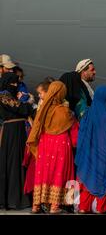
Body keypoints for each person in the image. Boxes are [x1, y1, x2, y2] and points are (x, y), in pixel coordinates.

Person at [26, 81, 78, 214]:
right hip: (61, 144)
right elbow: (74, 134)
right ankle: (55, 206)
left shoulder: (42, 110)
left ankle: (36, 205)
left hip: (44, 144)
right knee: (59, 172)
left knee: (43, 172)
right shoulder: (65, 111)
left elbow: (36, 128)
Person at [75, 86, 106, 214]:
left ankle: (84, 207)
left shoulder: (88, 113)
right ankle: (101, 207)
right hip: (105, 155)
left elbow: (82, 134)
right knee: (103, 180)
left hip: (88, 154)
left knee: (88, 179)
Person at [0, 73, 35, 210]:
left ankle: (18, 197)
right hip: (13, 132)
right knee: (13, 162)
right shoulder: (3, 95)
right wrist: (28, 102)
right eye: (13, 83)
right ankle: (14, 199)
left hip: (16, 131)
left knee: (18, 161)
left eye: (16, 83)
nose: (15, 86)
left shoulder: (8, 95)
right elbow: (21, 108)